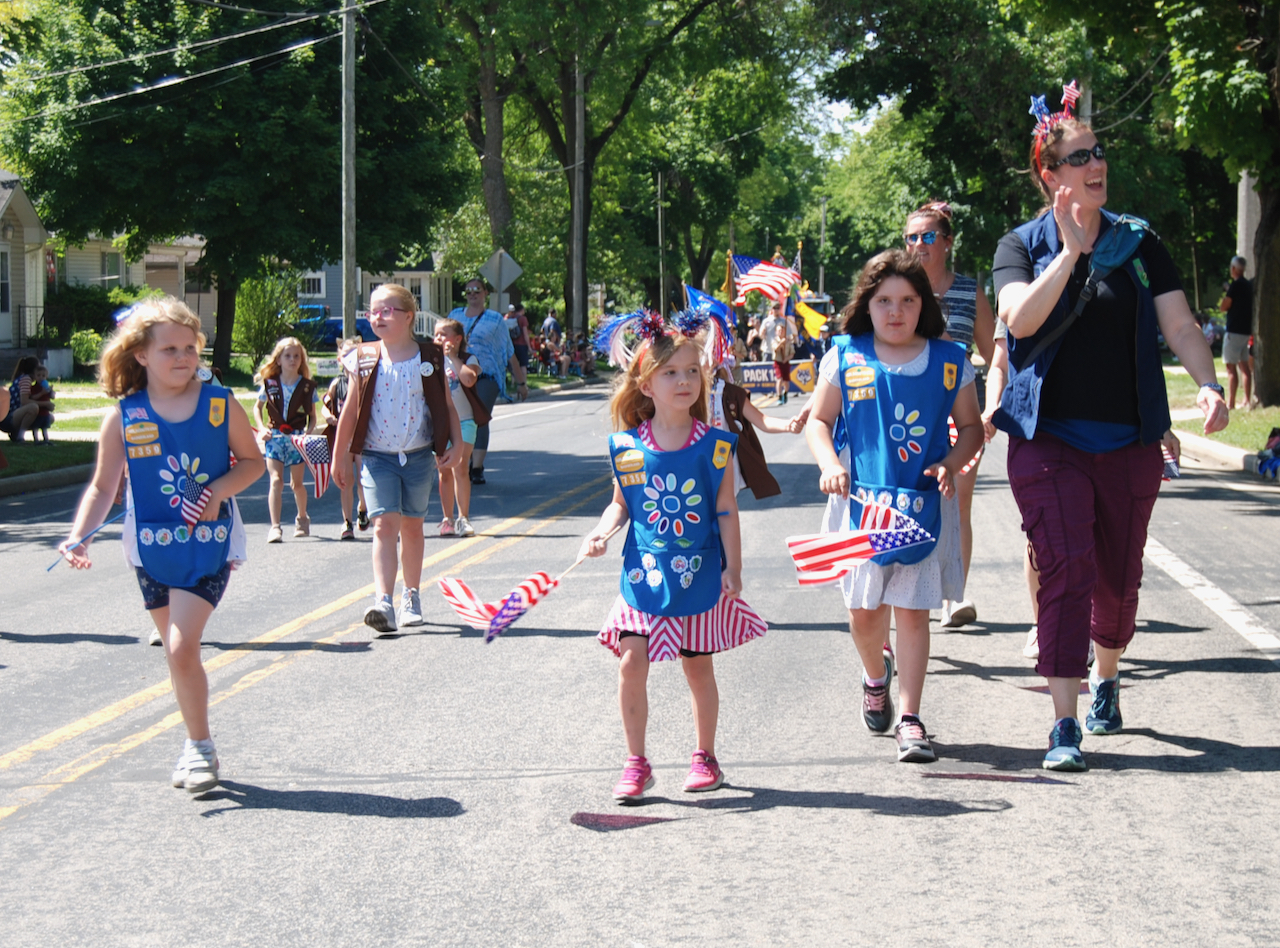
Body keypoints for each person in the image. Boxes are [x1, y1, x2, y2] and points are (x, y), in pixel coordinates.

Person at [992, 86, 1228, 771]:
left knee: (1118, 581)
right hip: (1048, 440)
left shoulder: (1139, 241)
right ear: (1050, 174)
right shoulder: (1022, 245)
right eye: (1079, 156)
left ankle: (1107, 675)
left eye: (1098, 152)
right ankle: (1063, 724)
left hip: (1128, 440)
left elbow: (1180, 325)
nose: (1096, 164)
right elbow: (1019, 321)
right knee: (1066, 566)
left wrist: (1209, 383)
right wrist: (1067, 257)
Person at [58, 296, 264, 793]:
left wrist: (217, 491)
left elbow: (252, 463)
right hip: (150, 546)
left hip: (208, 543)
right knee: (178, 655)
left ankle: (200, 748)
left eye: (190, 347)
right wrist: (77, 535)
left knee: (181, 643)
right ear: (141, 355)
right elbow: (103, 487)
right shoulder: (123, 417)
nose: (182, 357)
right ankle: (194, 741)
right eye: (169, 348)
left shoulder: (221, 405)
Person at [805, 250, 983, 764]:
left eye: (907, 300)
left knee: (912, 613)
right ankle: (875, 677)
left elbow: (971, 428)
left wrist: (952, 462)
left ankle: (911, 719)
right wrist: (828, 465)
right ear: (868, 304)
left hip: (920, 507)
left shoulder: (951, 362)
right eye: (884, 301)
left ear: (922, 304)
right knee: (864, 615)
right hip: (857, 506)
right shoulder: (846, 355)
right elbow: (819, 422)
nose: (896, 311)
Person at [582, 310, 766, 804]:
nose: (684, 381)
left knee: (698, 669)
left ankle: (705, 756)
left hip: (699, 576)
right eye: (670, 373)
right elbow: (621, 505)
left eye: (691, 372)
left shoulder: (716, 447)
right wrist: (601, 533)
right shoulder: (626, 449)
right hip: (643, 575)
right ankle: (636, 763)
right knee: (630, 662)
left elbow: (725, 510)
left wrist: (734, 567)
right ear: (645, 384)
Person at [332, 283, 462, 635]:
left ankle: (412, 596)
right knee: (383, 525)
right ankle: (384, 602)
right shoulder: (363, 357)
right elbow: (349, 412)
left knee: (412, 526)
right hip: (376, 458)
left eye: (387, 310)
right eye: (373, 310)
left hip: (419, 456)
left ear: (408, 316)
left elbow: (447, 406)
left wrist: (458, 443)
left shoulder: (429, 357)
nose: (378, 316)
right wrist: (340, 455)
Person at [903, 200, 997, 630]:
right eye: (911, 237)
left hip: (961, 410)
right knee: (905, 500)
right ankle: (903, 593)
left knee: (957, 502)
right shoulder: (901, 291)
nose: (918, 245)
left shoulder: (968, 292)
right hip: (906, 414)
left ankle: (950, 596)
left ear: (947, 242)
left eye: (927, 237)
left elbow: (996, 353)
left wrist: (992, 407)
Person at [447, 277, 528, 485]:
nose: (472, 294)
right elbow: (442, 339)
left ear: (485, 293)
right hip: (457, 374)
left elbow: (507, 351)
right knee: (458, 417)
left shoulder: (495, 319)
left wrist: (521, 382)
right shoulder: (455, 316)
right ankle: (460, 459)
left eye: (477, 290)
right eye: (469, 291)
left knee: (478, 416)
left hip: (486, 376)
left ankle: (477, 467)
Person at [254, 337, 318, 543]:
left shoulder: (307, 387)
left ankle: (302, 517)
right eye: (287, 356)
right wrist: (262, 428)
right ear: (279, 359)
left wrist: (308, 433)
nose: (292, 360)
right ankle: (275, 527)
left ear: (302, 360)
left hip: (296, 439)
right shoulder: (270, 384)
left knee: (296, 484)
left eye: (296, 356)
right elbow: (257, 407)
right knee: (275, 480)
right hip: (275, 437)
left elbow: (313, 417)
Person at [710, 364, 805, 498]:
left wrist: (788, 425)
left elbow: (762, 420)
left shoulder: (729, 393)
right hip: (694, 463)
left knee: (724, 509)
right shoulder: (684, 394)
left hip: (722, 459)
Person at [434, 318, 484, 538]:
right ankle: (448, 518)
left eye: (444, 334)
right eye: (436, 335)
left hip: (464, 420)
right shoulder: (430, 360)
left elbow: (469, 380)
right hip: (440, 422)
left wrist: (452, 357)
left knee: (460, 466)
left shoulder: (467, 359)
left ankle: (463, 518)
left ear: (457, 339)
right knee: (443, 470)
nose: (439, 339)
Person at [320, 338, 369, 540]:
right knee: (345, 480)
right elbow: (325, 403)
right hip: (344, 436)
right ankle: (347, 522)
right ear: (340, 359)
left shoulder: (366, 381)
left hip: (364, 436)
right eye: (346, 354)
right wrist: (327, 416)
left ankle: (363, 508)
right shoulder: (337, 383)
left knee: (363, 479)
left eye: (354, 353)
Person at [1220, 256, 1254, 410]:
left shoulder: (1235, 285)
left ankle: (1231, 403)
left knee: (1231, 369)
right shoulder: (1248, 285)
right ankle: (1247, 399)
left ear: (1234, 269)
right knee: (1245, 368)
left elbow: (1225, 305)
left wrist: (1227, 293)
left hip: (1233, 331)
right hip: (1246, 331)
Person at [2, 355, 41, 441]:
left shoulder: (23, 378)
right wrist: (46, 404)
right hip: (8, 418)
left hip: (9, 416)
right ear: (34, 370)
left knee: (46, 417)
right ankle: (20, 436)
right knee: (33, 408)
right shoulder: (26, 379)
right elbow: (24, 401)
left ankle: (15, 433)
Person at [771, 322, 795, 404]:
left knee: (786, 381)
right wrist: (781, 342)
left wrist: (787, 358)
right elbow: (775, 349)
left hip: (786, 362)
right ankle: (779, 396)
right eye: (779, 330)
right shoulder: (774, 341)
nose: (781, 332)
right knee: (779, 379)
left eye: (782, 330)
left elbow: (792, 353)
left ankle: (785, 393)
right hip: (778, 362)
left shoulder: (788, 341)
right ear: (776, 332)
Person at [30, 364, 55, 442]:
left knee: (44, 427)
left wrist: (51, 392)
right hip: (37, 412)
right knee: (36, 427)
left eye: (43, 376)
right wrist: (41, 393)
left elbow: (52, 397)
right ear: (35, 376)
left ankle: (46, 440)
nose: (41, 377)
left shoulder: (46, 387)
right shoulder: (33, 388)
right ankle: (36, 440)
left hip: (45, 412)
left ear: (46, 377)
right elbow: (32, 398)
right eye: (38, 375)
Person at [505, 303, 532, 377]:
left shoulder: (510, 318)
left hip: (512, 344)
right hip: (522, 344)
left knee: (514, 365)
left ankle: (513, 383)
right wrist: (529, 346)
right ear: (522, 310)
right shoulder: (523, 319)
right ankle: (524, 384)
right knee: (523, 365)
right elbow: (525, 334)